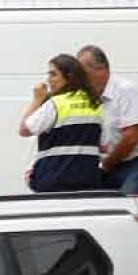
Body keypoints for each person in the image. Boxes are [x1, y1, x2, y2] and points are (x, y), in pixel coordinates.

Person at [79, 44, 138, 194]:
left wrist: (107, 164)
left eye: (83, 72)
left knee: (127, 206)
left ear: (101, 69)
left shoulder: (126, 90)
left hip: (134, 165)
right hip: (107, 166)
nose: (80, 79)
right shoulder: (91, 98)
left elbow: (131, 138)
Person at [20, 54, 104, 193]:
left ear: (69, 76)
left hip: (53, 181)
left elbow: (24, 130)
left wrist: (37, 100)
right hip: (88, 181)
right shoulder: (95, 104)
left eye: (53, 74)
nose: (48, 80)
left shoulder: (56, 103)